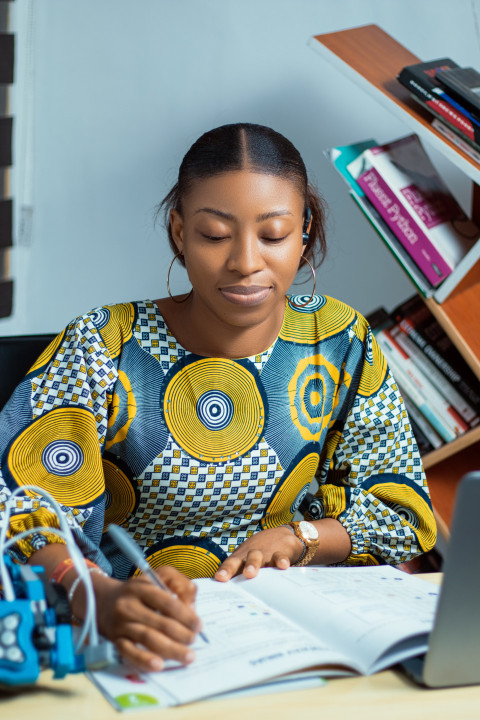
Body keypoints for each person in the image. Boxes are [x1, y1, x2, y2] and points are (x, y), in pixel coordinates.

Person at [0, 123, 436, 672]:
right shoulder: (104, 344)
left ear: (305, 232)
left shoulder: (341, 339)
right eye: (214, 235)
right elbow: (23, 506)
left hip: (294, 633)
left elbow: (401, 513)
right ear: (179, 233)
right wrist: (92, 594)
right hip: (138, 631)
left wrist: (303, 538)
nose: (245, 262)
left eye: (273, 234)